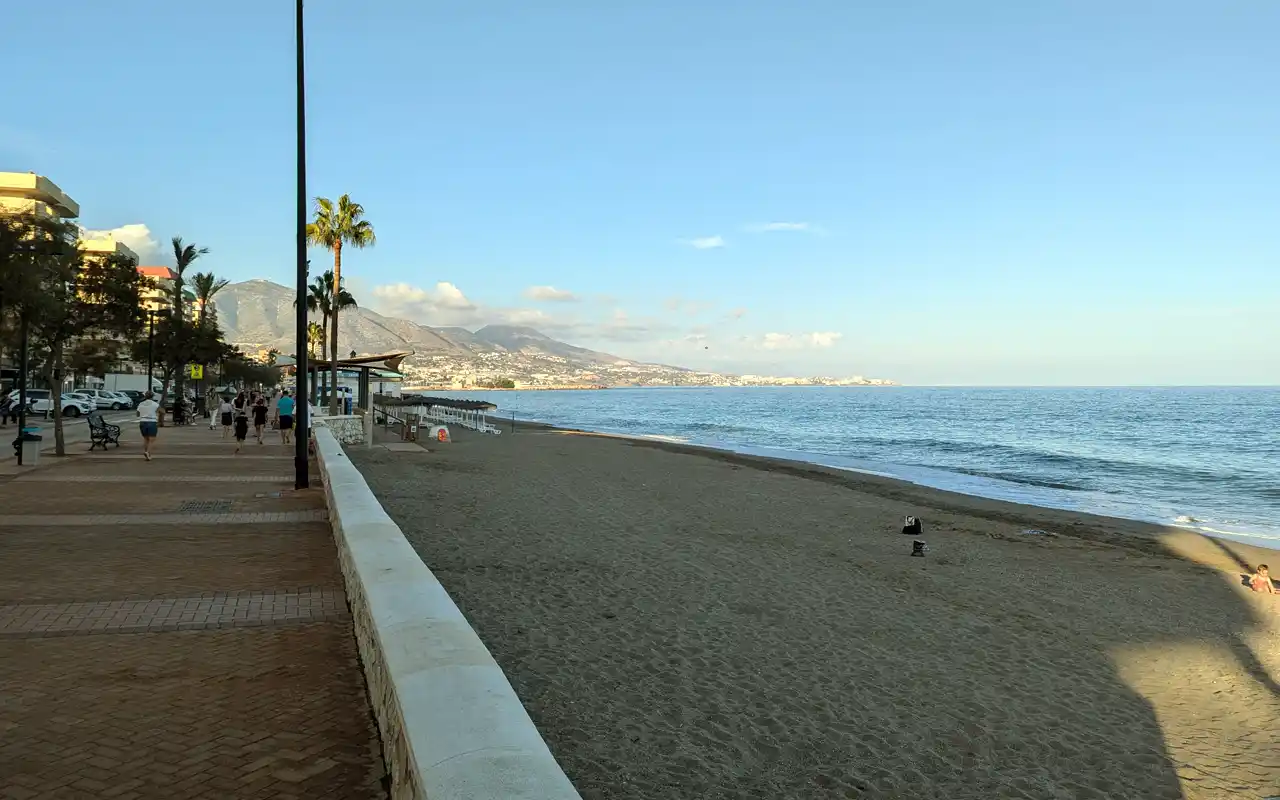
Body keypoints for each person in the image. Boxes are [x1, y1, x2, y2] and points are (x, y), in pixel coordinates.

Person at [136, 391, 160, 461]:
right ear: (152, 397)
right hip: (152, 422)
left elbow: (137, 414)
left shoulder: (141, 403)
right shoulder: (155, 404)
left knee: (146, 439)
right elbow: (162, 411)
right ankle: (148, 453)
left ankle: (146, 452)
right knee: (152, 439)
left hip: (143, 422)